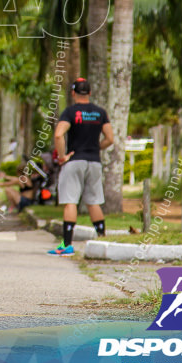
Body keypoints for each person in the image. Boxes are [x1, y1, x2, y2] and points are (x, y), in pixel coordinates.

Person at [47, 78, 114, 257]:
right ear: (90, 93)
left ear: (73, 93)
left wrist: (62, 157)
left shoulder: (71, 112)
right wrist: (95, 148)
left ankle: (67, 245)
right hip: (94, 162)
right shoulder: (100, 113)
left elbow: (59, 134)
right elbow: (110, 138)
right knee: (94, 201)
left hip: (75, 161)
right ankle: (102, 239)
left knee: (71, 201)